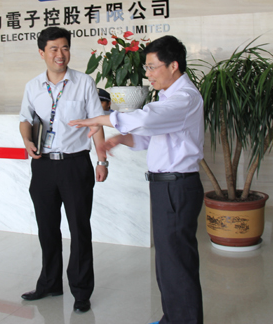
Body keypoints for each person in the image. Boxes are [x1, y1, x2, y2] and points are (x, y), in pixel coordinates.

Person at [69, 35, 204, 324]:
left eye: (152, 67)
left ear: (173, 66)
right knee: (168, 262)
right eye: (147, 68)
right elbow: (149, 136)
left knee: (176, 263)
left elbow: (146, 119)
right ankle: (172, 318)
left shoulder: (185, 97)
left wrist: (100, 119)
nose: (148, 74)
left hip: (177, 187)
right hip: (167, 186)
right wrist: (119, 139)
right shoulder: (169, 97)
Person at [19, 26, 109, 314]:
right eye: (54, 49)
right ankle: (50, 283)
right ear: (42, 52)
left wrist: (102, 160)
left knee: (79, 230)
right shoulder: (33, 86)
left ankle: (81, 291)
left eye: (65, 48)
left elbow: (96, 123)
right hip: (43, 165)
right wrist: (26, 140)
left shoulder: (84, 83)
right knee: (46, 228)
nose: (60, 54)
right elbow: (25, 119)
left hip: (75, 165)